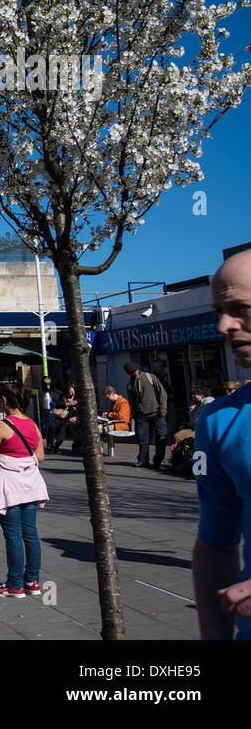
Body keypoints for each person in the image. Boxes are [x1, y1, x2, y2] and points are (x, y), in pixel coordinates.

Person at [194, 249, 251, 639]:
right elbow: (215, 545)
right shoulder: (218, 421)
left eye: (240, 308)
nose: (223, 325)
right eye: (219, 310)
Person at [0, 383, 48, 598]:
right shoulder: (32, 424)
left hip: (9, 486)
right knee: (30, 532)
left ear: (4, 401)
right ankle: (32, 581)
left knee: (12, 535)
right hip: (30, 485)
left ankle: (14, 584)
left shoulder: (0, 426)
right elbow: (39, 457)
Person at [126, 361, 169, 468]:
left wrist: (163, 409)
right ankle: (143, 460)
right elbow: (132, 402)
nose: (133, 374)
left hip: (157, 413)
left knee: (161, 437)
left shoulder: (150, 377)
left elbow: (162, 393)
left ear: (137, 370)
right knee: (142, 438)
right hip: (142, 415)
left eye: (134, 372)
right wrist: (134, 415)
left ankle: (158, 461)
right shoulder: (130, 384)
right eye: (130, 373)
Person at [48, 384, 80, 454]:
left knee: (64, 428)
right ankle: (50, 445)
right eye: (70, 391)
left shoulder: (77, 399)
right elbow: (58, 405)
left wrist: (76, 417)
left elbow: (80, 411)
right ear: (67, 391)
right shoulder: (62, 397)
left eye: (73, 391)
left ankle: (56, 445)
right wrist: (68, 404)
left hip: (70, 419)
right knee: (52, 426)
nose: (72, 393)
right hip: (61, 417)